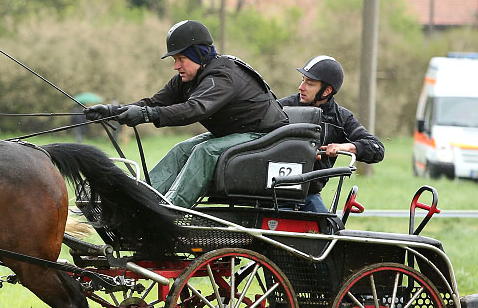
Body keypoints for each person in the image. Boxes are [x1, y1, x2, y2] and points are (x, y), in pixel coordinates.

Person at [84, 20, 288, 208]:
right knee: (181, 149)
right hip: (237, 134)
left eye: (181, 58)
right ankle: (137, 201)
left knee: (205, 151)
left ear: (199, 54)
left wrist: (147, 115)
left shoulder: (222, 76)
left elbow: (195, 109)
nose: (176, 66)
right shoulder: (187, 79)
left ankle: (170, 211)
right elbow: (153, 103)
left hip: (267, 137)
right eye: (175, 59)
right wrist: (112, 111)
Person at [278, 55, 385, 213]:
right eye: (302, 80)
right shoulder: (279, 109)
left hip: (309, 197)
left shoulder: (341, 118)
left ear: (327, 90)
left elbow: (377, 149)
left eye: (309, 83)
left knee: (330, 231)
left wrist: (345, 147)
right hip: (272, 194)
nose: (301, 87)